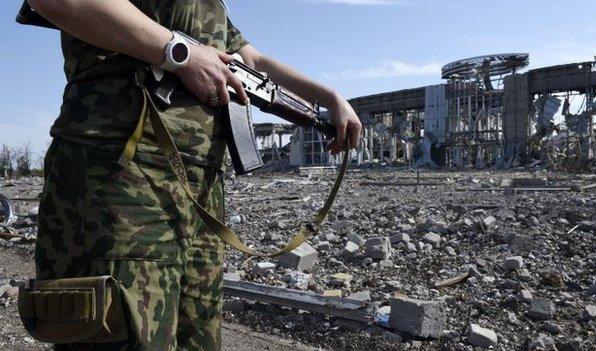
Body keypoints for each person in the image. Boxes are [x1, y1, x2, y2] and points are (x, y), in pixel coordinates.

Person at [26, 0, 362, 350]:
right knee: (124, 333)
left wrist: (328, 97)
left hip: (199, 190)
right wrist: (178, 52)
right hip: (122, 176)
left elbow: (253, 62)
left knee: (199, 339)